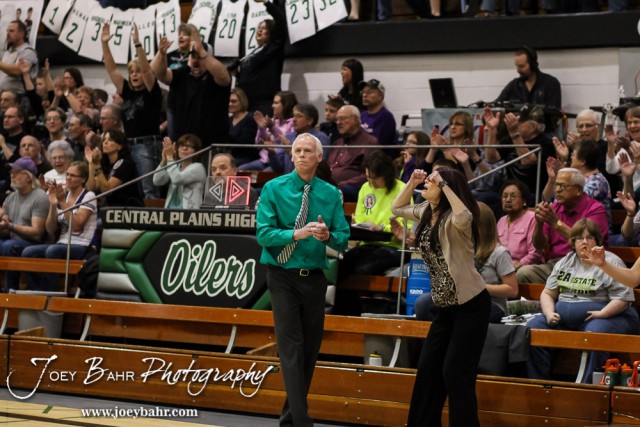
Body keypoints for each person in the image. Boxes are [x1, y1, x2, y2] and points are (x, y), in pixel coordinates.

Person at [256, 133, 349, 426]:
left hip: (314, 279)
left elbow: (343, 237)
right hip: (281, 276)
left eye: (307, 151)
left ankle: (290, 419)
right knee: (292, 348)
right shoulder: (273, 188)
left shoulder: (331, 194)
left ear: (319, 157)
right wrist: (296, 234)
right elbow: (263, 234)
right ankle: (302, 421)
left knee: (308, 351)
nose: (301, 155)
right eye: (297, 150)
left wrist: (328, 235)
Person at [391, 167, 490, 427]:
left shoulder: (456, 219)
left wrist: (444, 183)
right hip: (444, 307)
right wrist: (411, 182)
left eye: (432, 180)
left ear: (446, 187)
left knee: (456, 373)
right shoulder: (427, 210)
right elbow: (396, 208)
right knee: (428, 372)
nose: (428, 181)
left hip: (471, 306)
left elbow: (464, 215)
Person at [526, 219, 639, 384]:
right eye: (579, 238)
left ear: (597, 241)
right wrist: (549, 313)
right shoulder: (565, 261)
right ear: (573, 242)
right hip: (562, 318)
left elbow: (623, 298)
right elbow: (548, 293)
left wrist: (603, 313)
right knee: (532, 328)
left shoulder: (610, 261)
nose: (584, 242)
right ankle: (538, 384)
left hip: (607, 316)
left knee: (593, 334)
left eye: (589, 237)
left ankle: (586, 387)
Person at [415, 201, 518, 324]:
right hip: (460, 299)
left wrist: (479, 287)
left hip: (490, 304)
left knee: (464, 310)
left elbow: (512, 290)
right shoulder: (461, 249)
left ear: (480, 225)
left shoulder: (499, 253)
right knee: (423, 303)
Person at [517, 168, 609, 284]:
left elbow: (587, 245)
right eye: (556, 185)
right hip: (556, 264)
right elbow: (539, 245)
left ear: (578, 190)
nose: (557, 190)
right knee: (524, 273)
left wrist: (556, 223)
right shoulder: (554, 208)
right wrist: (539, 224)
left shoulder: (595, 209)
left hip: (586, 264)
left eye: (563, 186)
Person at [102, 23, 162, 199]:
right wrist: (104, 44)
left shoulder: (152, 92)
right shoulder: (127, 91)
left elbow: (147, 70)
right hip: (128, 145)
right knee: (135, 191)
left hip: (147, 146)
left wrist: (137, 44)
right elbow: (112, 69)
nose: (135, 75)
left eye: (138, 72)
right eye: (132, 72)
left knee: (149, 191)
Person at [21, 162, 98, 291]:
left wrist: (62, 202)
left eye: (73, 175)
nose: (68, 178)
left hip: (81, 245)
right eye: (67, 174)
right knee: (28, 252)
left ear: (83, 179)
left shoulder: (88, 196)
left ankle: (51, 294)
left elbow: (76, 226)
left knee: (52, 251)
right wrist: (53, 204)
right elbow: (50, 229)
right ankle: (36, 292)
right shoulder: (64, 195)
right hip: (62, 243)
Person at [152, 28, 231, 147]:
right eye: (193, 56)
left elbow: (224, 77)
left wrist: (202, 52)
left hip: (211, 146)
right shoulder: (182, 74)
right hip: (184, 145)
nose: (196, 61)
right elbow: (159, 73)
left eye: (200, 57)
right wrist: (161, 54)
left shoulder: (215, 77)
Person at [343, 151, 407, 276]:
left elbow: (407, 226)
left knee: (363, 268)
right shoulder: (365, 188)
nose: (371, 182)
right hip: (367, 243)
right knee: (342, 265)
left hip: (392, 246)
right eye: (368, 177)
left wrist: (382, 227)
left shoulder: (402, 189)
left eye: (375, 178)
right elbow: (359, 218)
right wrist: (358, 224)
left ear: (386, 174)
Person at [0, 157, 49, 291]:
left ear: (28, 177)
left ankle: (10, 289)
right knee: (6, 244)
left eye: (16, 173)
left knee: (9, 246)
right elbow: (5, 227)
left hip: (35, 243)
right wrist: (3, 222)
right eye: (11, 173)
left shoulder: (39, 197)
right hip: (14, 239)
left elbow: (37, 233)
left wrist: (10, 226)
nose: (12, 175)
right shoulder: (11, 197)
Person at [230, 0, 287, 114]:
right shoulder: (254, 52)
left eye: (264, 28)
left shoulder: (273, 48)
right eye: (259, 27)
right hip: (247, 102)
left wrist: (266, 3)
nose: (259, 30)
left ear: (272, 32)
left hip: (263, 104)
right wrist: (236, 73)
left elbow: (280, 21)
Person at [326, 105, 379, 202]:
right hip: (330, 187)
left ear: (356, 120)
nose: (338, 122)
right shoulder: (337, 143)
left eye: (343, 118)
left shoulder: (369, 143)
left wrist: (341, 185)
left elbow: (371, 174)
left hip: (351, 189)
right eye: (337, 119)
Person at [239, 91, 297, 171]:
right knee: (240, 170)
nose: (272, 106)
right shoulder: (272, 121)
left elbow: (285, 141)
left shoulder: (294, 122)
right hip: (264, 160)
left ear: (286, 105)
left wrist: (272, 128)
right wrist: (261, 128)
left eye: (276, 103)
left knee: (265, 174)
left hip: (280, 162)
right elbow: (258, 145)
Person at [85, 130, 142, 207]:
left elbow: (107, 190)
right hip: (112, 209)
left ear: (120, 146)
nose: (105, 142)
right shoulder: (106, 165)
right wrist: (91, 163)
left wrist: (97, 165)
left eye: (110, 140)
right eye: (104, 139)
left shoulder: (125, 164)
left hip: (129, 209)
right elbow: (91, 188)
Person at [497, 179, 544, 270]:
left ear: (524, 201)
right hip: (502, 268)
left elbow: (535, 254)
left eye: (513, 196)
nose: (508, 200)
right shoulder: (501, 221)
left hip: (522, 267)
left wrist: (513, 268)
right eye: (505, 196)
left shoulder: (532, 218)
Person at [269, 103, 329, 174]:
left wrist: (291, 152)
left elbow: (319, 167)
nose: (294, 119)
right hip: (288, 179)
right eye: (293, 116)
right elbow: (278, 169)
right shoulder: (288, 137)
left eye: (299, 116)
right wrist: (272, 153)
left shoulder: (320, 138)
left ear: (310, 121)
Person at [495, 46, 562, 110]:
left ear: (533, 65)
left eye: (521, 66)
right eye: (516, 66)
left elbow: (555, 113)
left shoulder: (551, 84)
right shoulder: (514, 85)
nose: (518, 70)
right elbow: (496, 104)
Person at [153, 134, 206, 209]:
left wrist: (170, 157)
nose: (184, 148)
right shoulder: (175, 167)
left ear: (196, 151)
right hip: (169, 211)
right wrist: (164, 161)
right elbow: (157, 181)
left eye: (189, 146)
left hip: (188, 213)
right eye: (181, 145)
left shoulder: (198, 167)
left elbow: (177, 179)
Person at [0, 20, 38, 95]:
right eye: (7, 31)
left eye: (11, 31)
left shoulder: (28, 52)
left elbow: (18, 71)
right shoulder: (7, 52)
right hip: (4, 96)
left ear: (21, 34)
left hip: (19, 97)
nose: (8, 33)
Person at [359, 79, 397, 150]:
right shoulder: (362, 115)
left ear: (380, 96)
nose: (364, 95)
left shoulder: (386, 117)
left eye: (369, 92)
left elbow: (376, 144)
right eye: (363, 92)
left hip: (379, 155)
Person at [228, 87, 258, 166]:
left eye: (233, 101)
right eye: (228, 101)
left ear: (242, 102)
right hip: (231, 157)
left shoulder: (250, 118)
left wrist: (225, 136)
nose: (230, 104)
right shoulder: (228, 120)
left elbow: (247, 142)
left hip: (247, 158)